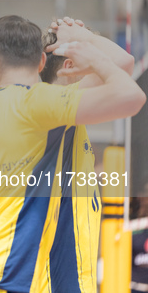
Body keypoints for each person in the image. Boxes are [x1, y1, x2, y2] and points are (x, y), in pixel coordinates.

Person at [0, 15, 145, 292]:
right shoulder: (47, 106)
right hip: (13, 281)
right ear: (42, 62)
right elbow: (126, 73)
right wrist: (87, 42)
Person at [34, 17, 134, 293]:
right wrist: (81, 35)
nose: (97, 68)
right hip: (58, 281)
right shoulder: (51, 109)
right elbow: (123, 64)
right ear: (69, 67)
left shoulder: (58, 118)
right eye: (89, 60)